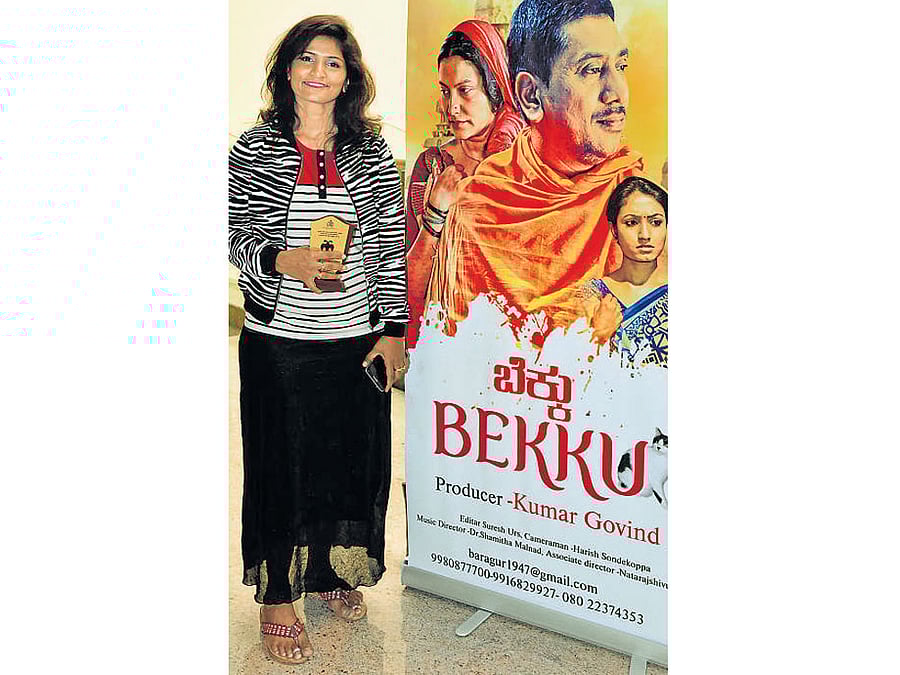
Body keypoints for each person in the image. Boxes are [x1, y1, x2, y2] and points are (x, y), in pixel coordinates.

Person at [228, 15, 408, 665]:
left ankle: (330, 574)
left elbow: (391, 247)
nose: (318, 73)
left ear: (348, 77)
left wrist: (393, 332)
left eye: (332, 62)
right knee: (282, 468)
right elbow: (235, 236)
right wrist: (285, 261)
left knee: (347, 462)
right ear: (286, 71)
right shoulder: (253, 148)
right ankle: (278, 596)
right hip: (279, 342)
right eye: (306, 59)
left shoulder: (370, 153)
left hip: (355, 340)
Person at [425, 0, 644, 345]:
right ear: (530, 95)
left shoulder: (633, 192)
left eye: (621, 65)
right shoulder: (480, 205)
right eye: (590, 70)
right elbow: (453, 347)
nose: (617, 93)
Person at [405, 19, 526, 348]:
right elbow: (409, 288)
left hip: (518, 353)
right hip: (448, 346)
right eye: (445, 92)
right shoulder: (432, 167)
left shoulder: (529, 164)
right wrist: (435, 214)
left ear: (496, 86)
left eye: (465, 90)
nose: (452, 108)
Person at [583, 176, 667, 366]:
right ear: (614, 230)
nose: (645, 235)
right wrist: (600, 334)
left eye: (655, 222)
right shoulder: (591, 294)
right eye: (631, 223)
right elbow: (574, 369)